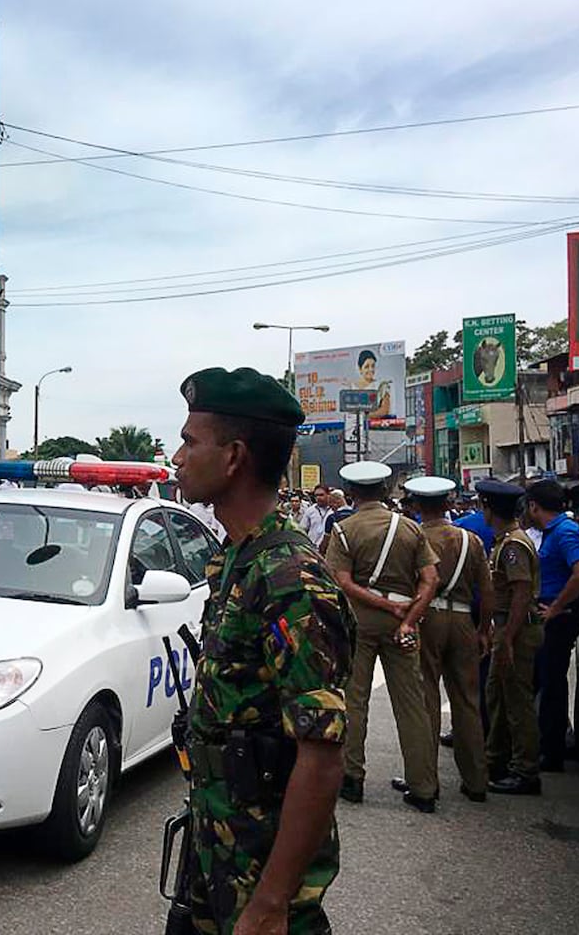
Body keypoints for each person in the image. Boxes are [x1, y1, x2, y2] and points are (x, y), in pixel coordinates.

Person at [172, 366, 353, 935]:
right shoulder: (236, 559)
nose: (177, 456)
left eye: (190, 441)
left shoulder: (290, 580)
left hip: (261, 873)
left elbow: (322, 757)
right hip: (215, 847)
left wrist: (273, 901)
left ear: (234, 458)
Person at [325, 460, 440, 811]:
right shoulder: (410, 529)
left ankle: (352, 778)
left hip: (359, 622)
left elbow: (341, 582)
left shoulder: (344, 531)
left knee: (354, 700)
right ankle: (423, 788)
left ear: (353, 493)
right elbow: (431, 579)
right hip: (404, 620)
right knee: (412, 704)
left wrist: (380, 605)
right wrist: (407, 618)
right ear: (385, 490)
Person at [404, 475, 493, 802]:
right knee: (467, 701)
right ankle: (476, 781)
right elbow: (487, 590)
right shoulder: (471, 540)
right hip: (463, 619)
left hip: (427, 617)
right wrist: (484, 629)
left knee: (425, 698)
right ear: (448, 504)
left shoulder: (413, 536)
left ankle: (424, 779)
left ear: (416, 505)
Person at [478, 479, 544, 795]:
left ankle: (526, 770)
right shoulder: (505, 541)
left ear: (489, 509)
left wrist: (507, 639)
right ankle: (496, 759)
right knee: (497, 696)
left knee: (518, 703)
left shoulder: (514, 545)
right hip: (506, 628)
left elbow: (520, 594)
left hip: (516, 630)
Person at [524, 480, 579, 774]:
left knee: (552, 683)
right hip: (552, 614)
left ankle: (552, 751)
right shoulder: (556, 531)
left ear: (534, 506)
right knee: (547, 681)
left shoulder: (564, 532)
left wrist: (558, 607)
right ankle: (550, 742)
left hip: (560, 617)